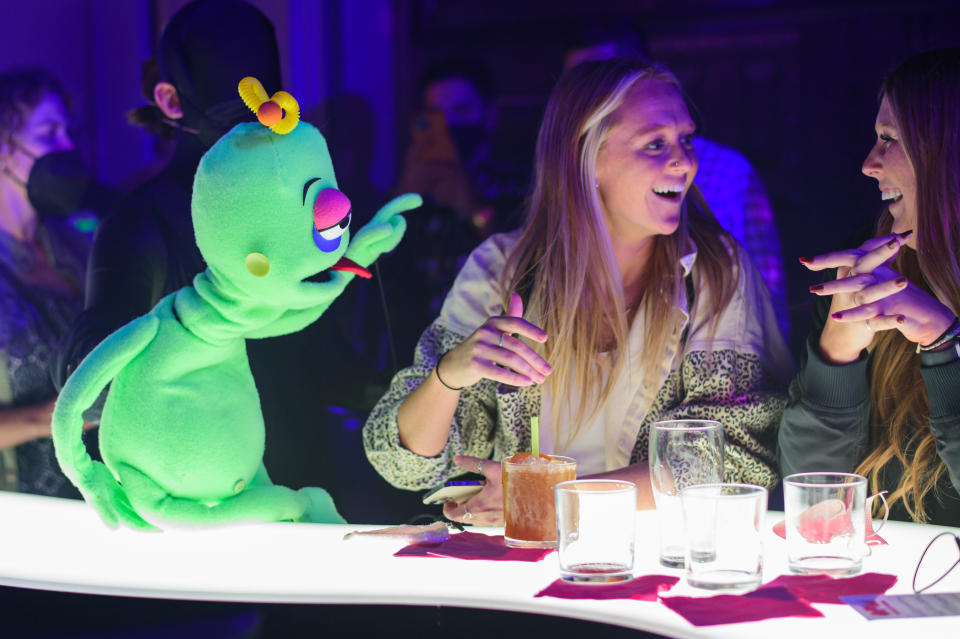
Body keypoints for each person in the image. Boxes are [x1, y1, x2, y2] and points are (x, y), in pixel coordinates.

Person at [364, 58, 793, 525]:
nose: (683, 161)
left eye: (684, 139)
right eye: (655, 144)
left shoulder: (713, 271)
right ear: (585, 159)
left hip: (658, 557)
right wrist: (448, 375)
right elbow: (403, 463)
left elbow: (735, 455)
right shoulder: (501, 269)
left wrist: (549, 498)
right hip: (525, 563)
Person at [51, 0, 282, 413]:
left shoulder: (290, 202)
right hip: (199, 465)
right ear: (169, 101)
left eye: (265, 105)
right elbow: (93, 379)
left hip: (304, 466)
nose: (252, 123)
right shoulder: (140, 223)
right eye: (231, 109)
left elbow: (321, 357)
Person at [779, 48, 960, 526]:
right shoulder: (868, 278)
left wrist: (945, 345)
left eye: (889, 139)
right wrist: (836, 350)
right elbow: (814, 502)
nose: (869, 164)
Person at [562, 23, 789, 337]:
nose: (682, 163)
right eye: (579, 83)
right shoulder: (511, 267)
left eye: (611, 74)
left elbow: (769, 295)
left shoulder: (730, 173)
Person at [386, 58, 528, 363]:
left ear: (489, 115)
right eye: (437, 115)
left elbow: (530, 270)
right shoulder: (414, 183)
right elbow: (376, 279)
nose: (450, 125)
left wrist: (474, 210)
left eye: (462, 111)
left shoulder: (519, 184)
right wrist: (401, 198)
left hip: (494, 350)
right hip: (415, 354)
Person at [0, 69, 96, 496]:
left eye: (67, 132)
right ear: (5, 148)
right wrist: (46, 417)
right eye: (49, 132)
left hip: (96, 500)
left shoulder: (74, 247)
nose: (66, 147)